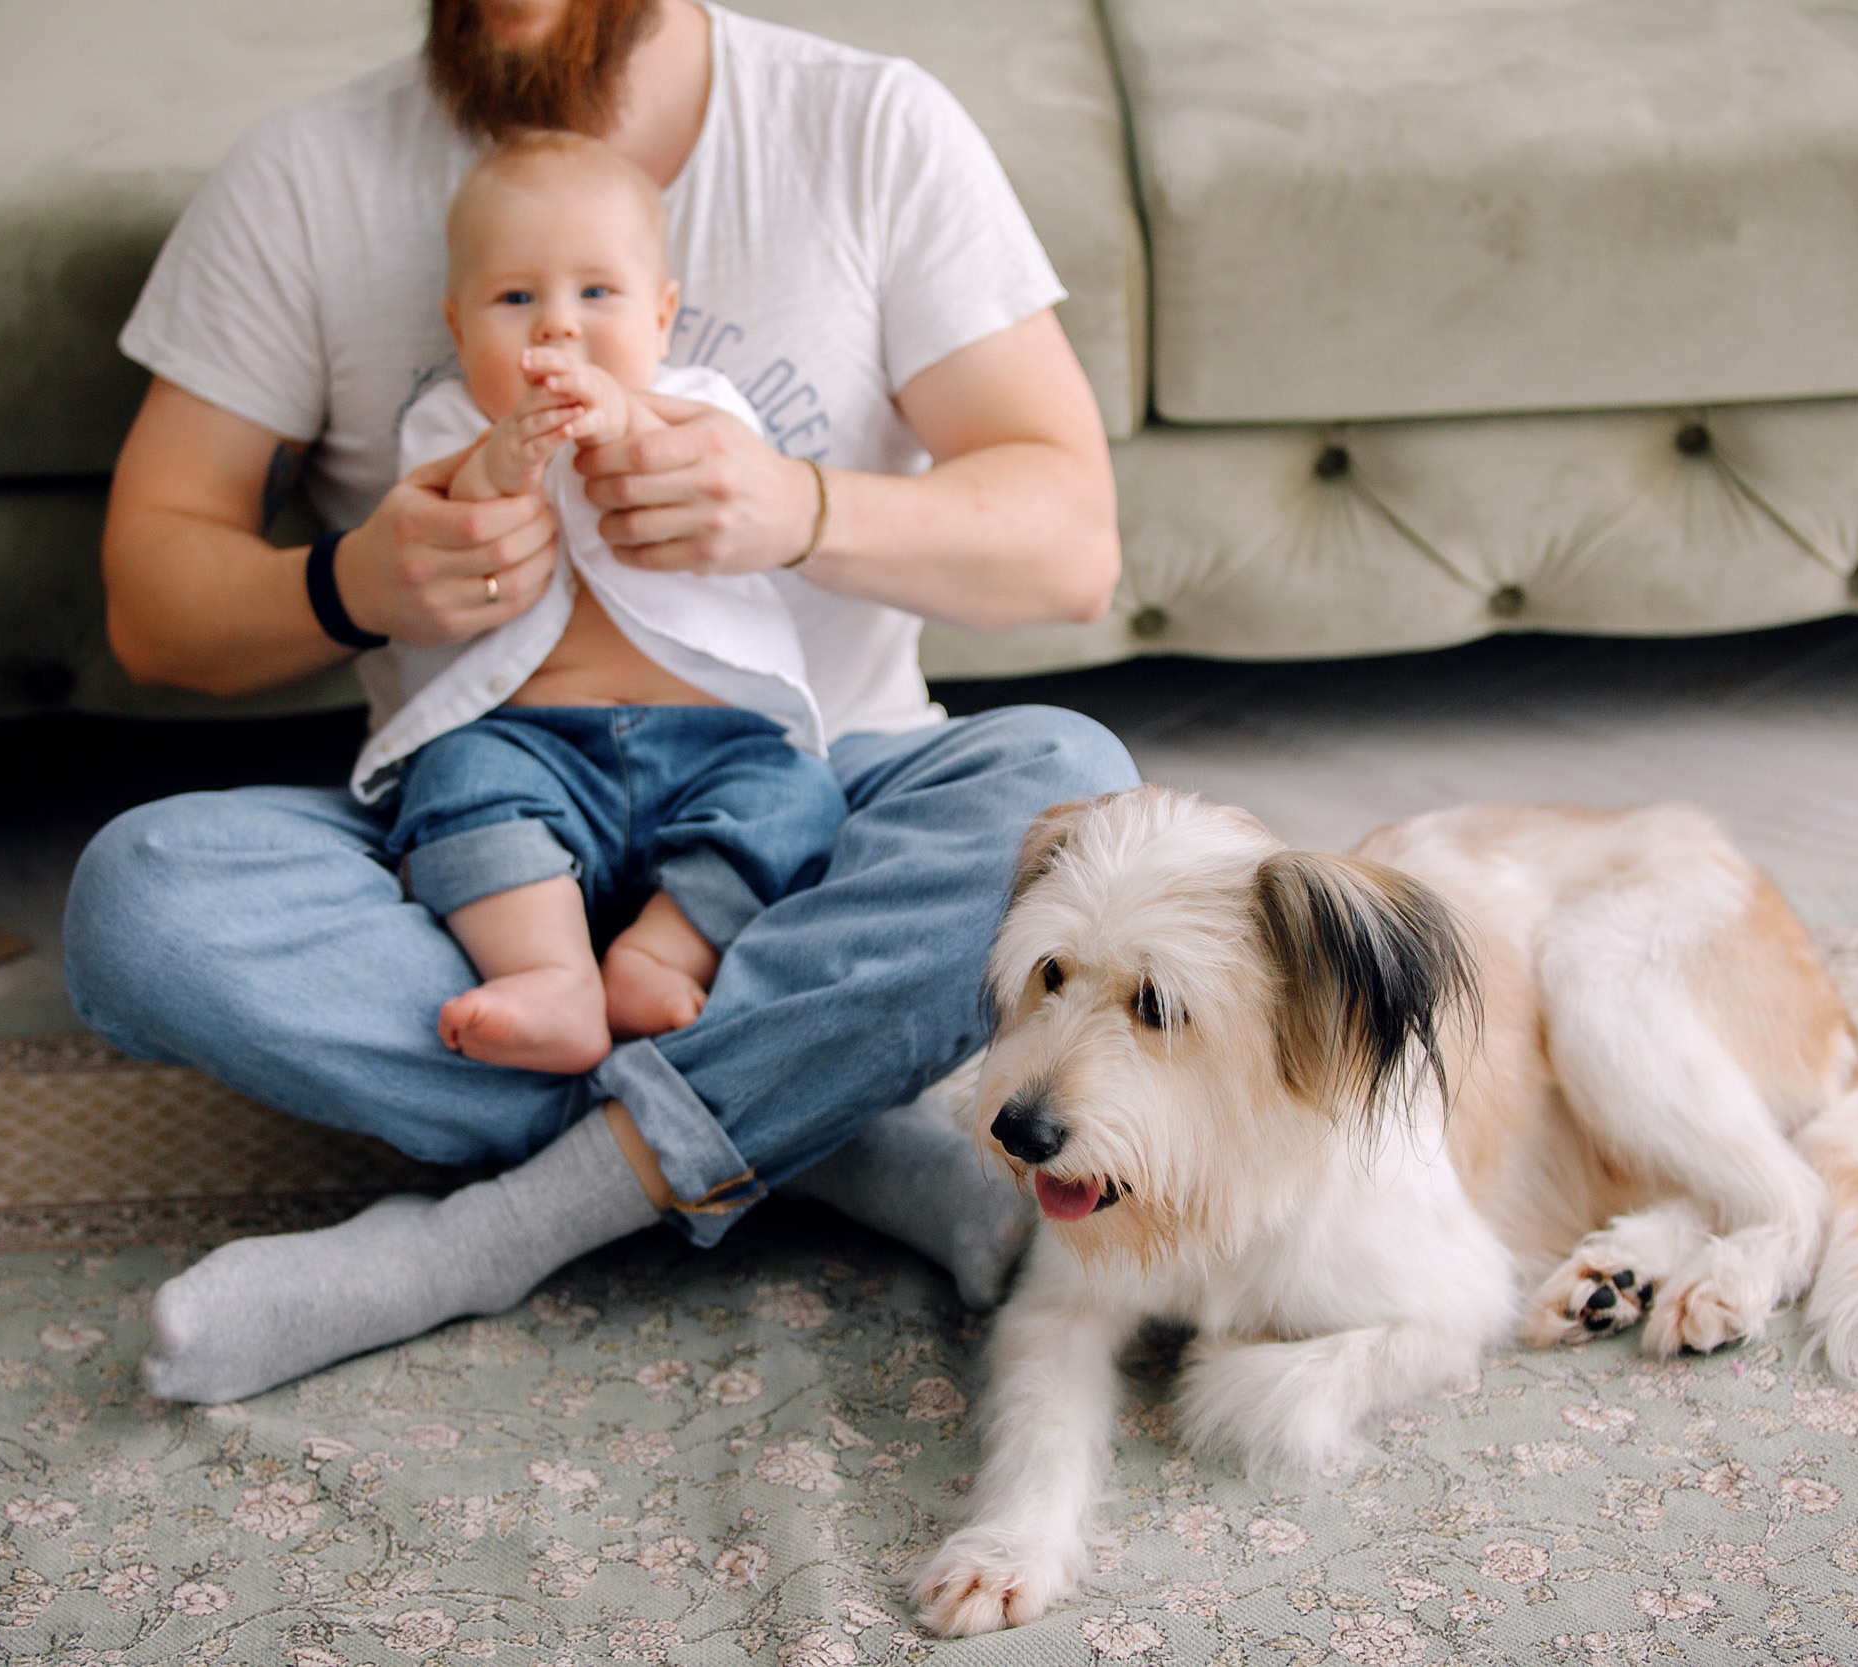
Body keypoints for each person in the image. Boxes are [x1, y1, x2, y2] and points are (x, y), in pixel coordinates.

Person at [64, 0, 1138, 1406]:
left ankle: (482, 1238)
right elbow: (152, 597)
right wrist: (354, 580)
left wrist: (798, 506)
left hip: (808, 812)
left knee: (1068, 785)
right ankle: (816, 1119)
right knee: (139, 897)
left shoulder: (869, 127)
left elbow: (1072, 545)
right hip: (483, 841)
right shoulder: (300, 178)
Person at [368, 131, 847, 1074]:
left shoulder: (701, 407)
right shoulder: (447, 423)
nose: (557, 327)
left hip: (717, 741)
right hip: (529, 742)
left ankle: (662, 950)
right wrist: (501, 462)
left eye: (596, 294)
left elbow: (711, 480)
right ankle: (550, 975)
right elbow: (447, 520)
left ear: (662, 316)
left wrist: (624, 419)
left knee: (802, 804)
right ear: (458, 327)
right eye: (516, 298)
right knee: (455, 788)